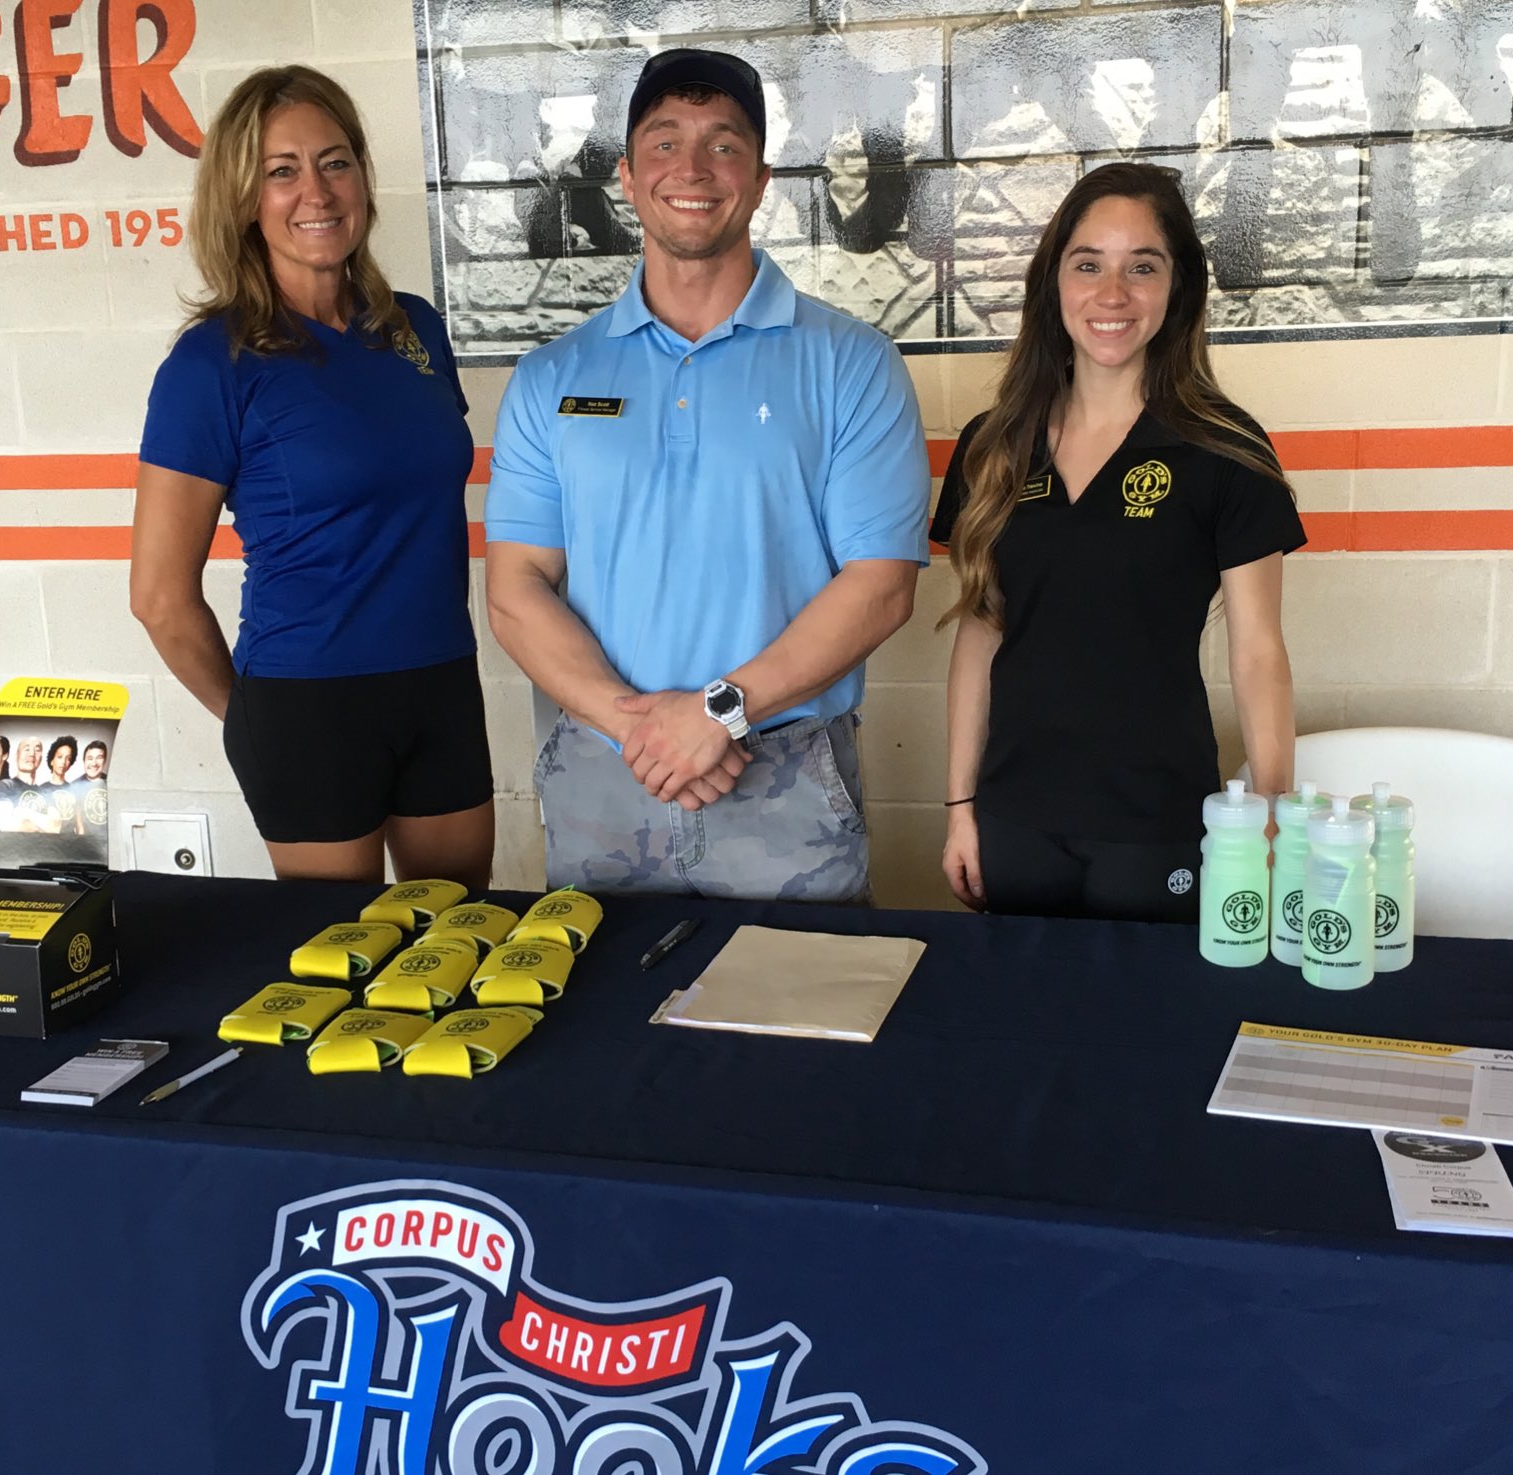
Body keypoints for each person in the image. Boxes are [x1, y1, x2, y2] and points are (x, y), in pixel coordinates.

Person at [485, 48, 930, 902]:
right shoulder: (552, 377)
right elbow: (517, 588)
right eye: (664, 142)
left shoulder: (851, 364)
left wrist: (716, 713)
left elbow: (880, 586)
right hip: (603, 776)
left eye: (723, 145)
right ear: (625, 173)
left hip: (787, 781)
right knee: (603, 1029)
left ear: (761, 179)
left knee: (799, 1025)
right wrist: (643, 728)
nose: (691, 169)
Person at [131, 66, 492, 889]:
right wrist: (254, 721)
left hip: (440, 682)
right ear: (242, 198)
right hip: (309, 702)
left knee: (467, 955)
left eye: (334, 162)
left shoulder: (414, 330)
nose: (316, 192)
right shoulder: (212, 363)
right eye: (280, 170)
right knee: (348, 984)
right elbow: (158, 595)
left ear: (362, 175)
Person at [930, 163, 1303, 922]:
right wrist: (960, 805)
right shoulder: (993, 445)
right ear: (1054, 282)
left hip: (1156, 822)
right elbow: (979, 631)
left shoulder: (1227, 450)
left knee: (1146, 1028)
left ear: (1178, 288)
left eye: (1143, 267)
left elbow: (1259, 652)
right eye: (1088, 264)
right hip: (1015, 818)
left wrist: (1272, 815)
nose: (1113, 294)